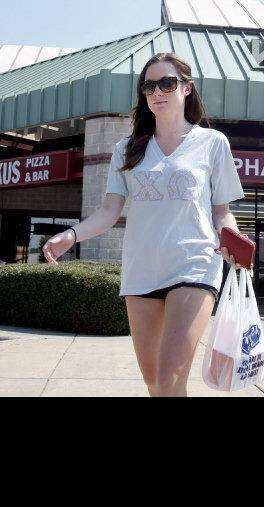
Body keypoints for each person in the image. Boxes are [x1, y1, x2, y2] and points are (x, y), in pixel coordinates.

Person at [40, 52, 250, 397]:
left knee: (170, 377)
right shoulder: (127, 149)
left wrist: (234, 238)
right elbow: (109, 211)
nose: (157, 92)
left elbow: (221, 210)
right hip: (140, 272)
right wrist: (71, 235)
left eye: (167, 82)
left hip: (194, 265)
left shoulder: (212, 143)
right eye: (149, 86)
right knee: (155, 384)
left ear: (186, 88)